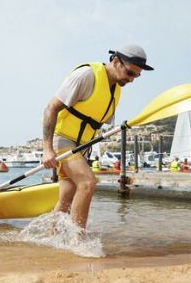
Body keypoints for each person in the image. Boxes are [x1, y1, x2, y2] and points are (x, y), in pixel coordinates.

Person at [42, 44, 154, 229]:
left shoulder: (116, 88)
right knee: (87, 183)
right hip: (64, 139)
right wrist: (47, 149)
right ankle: (79, 242)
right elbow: (51, 108)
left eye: (136, 76)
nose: (132, 80)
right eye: (130, 73)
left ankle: (51, 238)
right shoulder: (86, 76)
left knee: (67, 195)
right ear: (116, 61)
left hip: (83, 146)